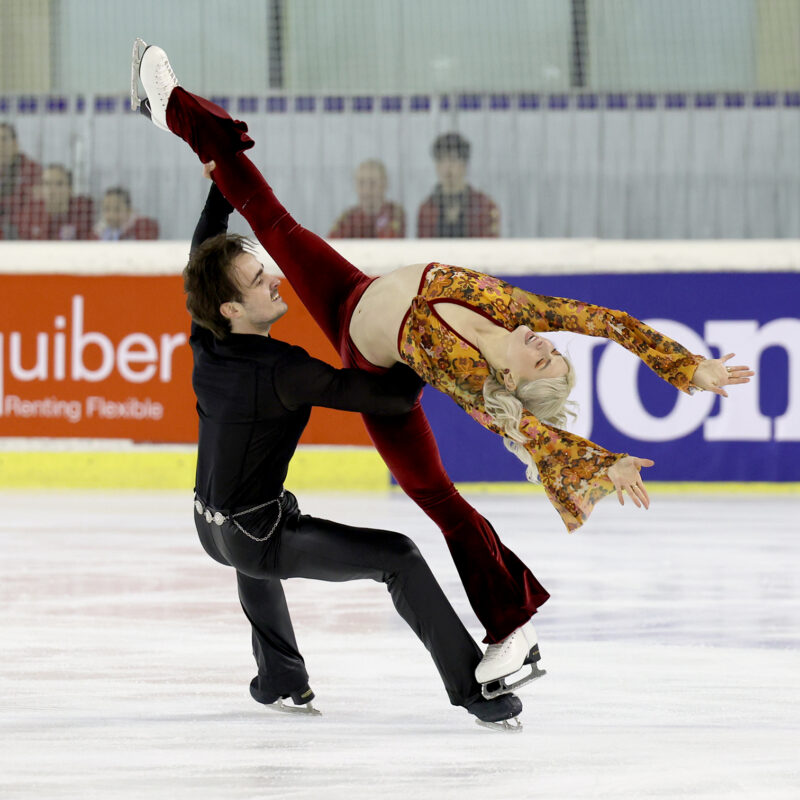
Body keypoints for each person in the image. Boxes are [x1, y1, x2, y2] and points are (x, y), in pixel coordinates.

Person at [135, 43, 753, 697]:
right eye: (552, 347)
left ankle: (510, 630)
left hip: (375, 373)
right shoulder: (514, 309)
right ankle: (169, 109)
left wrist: (602, 466)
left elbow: (526, 435)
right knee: (267, 214)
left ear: (512, 381)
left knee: (442, 504)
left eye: (541, 359)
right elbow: (606, 320)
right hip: (350, 293)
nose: (544, 341)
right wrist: (686, 369)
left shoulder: (470, 374)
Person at [137, 45, 523, 732]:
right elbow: (391, 400)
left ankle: (280, 676)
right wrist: (417, 344)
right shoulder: (284, 373)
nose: (274, 280)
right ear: (232, 308)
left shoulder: (207, 336)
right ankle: (473, 689)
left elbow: (208, 240)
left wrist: (221, 174)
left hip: (207, 524)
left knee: (255, 529)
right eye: (260, 283)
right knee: (398, 557)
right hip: (256, 535)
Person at [417, 132, 499, 238]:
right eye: (441, 160)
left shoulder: (484, 206)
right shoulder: (427, 209)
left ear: (465, 164)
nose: (447, 167)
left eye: (453, 159)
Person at [328, 159, 405, 238]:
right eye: (361, 183)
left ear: (384, 184)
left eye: (372, 183)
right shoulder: (349, 217)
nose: (366, 190)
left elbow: (389, 244)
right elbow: (333, 243)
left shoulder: (394, 212)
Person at [18, 163, 94, 240]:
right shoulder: (30, 215)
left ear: (70, 189)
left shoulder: (82, 215)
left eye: (58, 184)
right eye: (46, 183)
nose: (51, 189)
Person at [0, 122, 41, 240]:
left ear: (15, 144)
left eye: (4, 139)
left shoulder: (31, 169)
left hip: (23, 231)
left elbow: (34, 206)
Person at [93, 186, 159, 240]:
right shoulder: (97, 233)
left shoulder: (142, 227)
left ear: (129, 211)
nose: (111, 215)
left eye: (117, 209)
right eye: (106, 209)